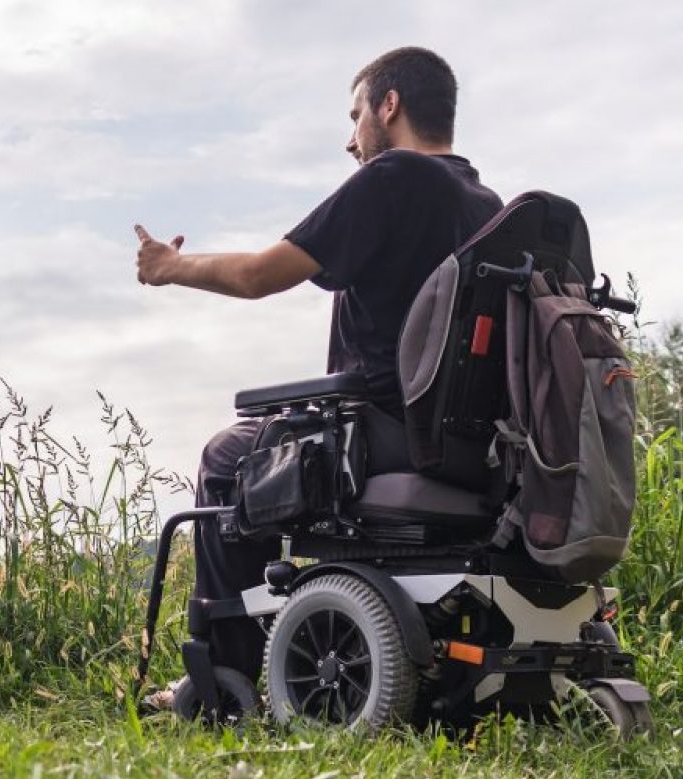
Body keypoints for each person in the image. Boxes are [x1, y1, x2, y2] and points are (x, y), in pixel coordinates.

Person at [133, 47, 504, 686]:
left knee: (228, 456)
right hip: (469, 445)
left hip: (386, 432)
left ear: (390, 106)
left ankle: (225, 678)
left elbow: (259, 275)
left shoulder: (392, 179)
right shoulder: (487, 205)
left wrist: (170, 268)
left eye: (357, 113)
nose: (351, 138)